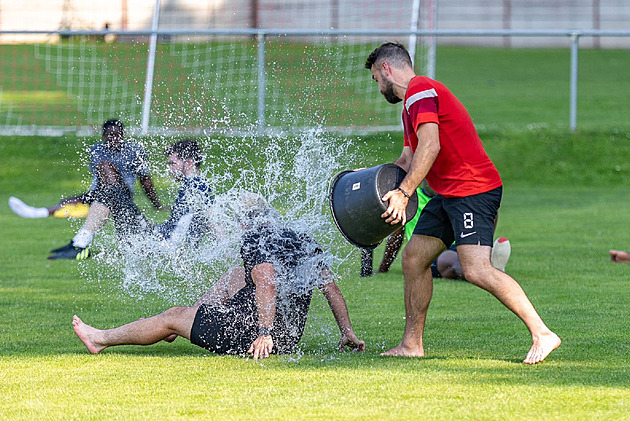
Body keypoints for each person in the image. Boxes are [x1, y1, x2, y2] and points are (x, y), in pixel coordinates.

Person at [365, 42, 560, 364]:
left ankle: (542, 333)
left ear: (386, 69)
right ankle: (412, 344)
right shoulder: (410, 105)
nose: (378, 86)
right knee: (413, 259)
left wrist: (404, 193)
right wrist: (367, 180)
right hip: (447, 194)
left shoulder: (421, 89)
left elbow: (431, 145)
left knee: (476, 269)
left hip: (473, 189)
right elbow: (407, 158)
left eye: (375, 78)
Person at [72, 192, 365, 360]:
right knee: (236, 275)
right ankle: (193, 318)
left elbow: (266, 281)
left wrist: (264, 335)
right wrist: (347, 332)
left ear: (244, 222)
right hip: (289, 337)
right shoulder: (300, 239)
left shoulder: (255, 239)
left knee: (172, 315)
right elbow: (331, 289)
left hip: (254, 336)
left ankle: (101, 339)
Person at [48, 139, 212, 260]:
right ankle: (79, 244)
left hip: (159, 245)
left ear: (189, 162)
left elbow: (212, 218)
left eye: (173, 163)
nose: (169, 169)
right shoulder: (194, 185)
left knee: (111, 191)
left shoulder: (196, 185)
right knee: (111, 192)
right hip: (155, 236)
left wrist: (223, 251)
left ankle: (80, 244)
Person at [8, 119, 162, 219]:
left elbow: (145, 179)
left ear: (123, 135)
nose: (114, 139)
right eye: (110, 135)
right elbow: (99, 180)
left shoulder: (134, 150)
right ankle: (38, 213)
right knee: (68, 201)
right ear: (103, 135)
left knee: (105, 166)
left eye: (118, 135)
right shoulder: (96, 150)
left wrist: (156, 204)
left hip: (123, 193)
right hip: (100, 192)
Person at [366, 186, 512, 279]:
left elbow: (490, 213)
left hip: (459, 243)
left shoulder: (453, 196)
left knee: (461, 256)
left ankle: (485, 262)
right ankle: (488, 266)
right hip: (426, 249)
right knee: (447, 260)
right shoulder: (409, 198)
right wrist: (383, 268)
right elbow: (396, 235)